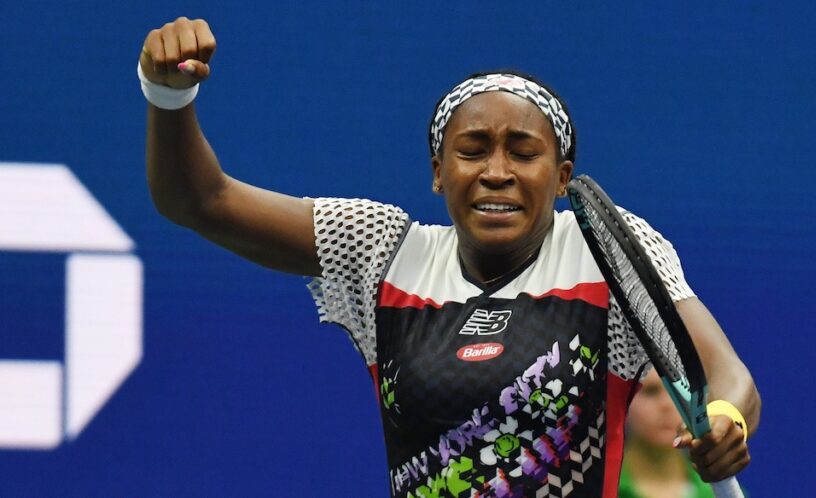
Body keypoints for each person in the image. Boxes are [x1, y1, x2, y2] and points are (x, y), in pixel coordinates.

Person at [139, 17, 760, 498]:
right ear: (438, 172)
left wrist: (726, 418)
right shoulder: (380, 250)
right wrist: (168, 97)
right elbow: (201, 200)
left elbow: (726, 375)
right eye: (473, 150)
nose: (497, 172)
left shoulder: (606, 250)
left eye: (524, 152)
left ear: (563, 177)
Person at [620, 370, 718, 498]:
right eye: (651, 391)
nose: (667, 404)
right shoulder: (599, 488)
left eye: (678, 390)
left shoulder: (720, 492)